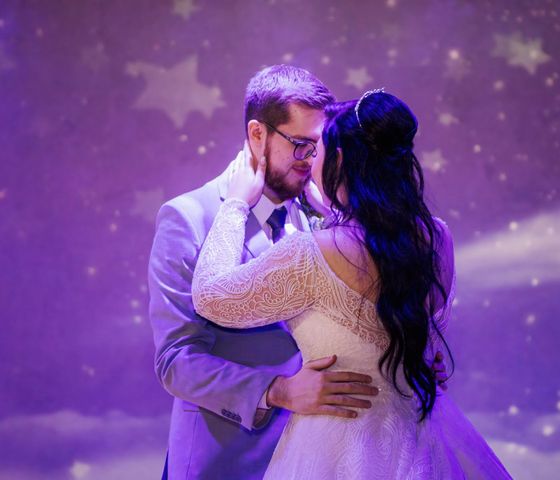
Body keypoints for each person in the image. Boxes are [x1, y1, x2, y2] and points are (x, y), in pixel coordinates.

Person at [191, 90, 512, 479]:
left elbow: (211, 298)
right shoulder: (437, 238)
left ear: (339, 159)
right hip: (421, 436)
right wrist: (335, 205)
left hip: (337, 445)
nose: (310, 161)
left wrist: (235, 205)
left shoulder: (310, 252)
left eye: (318, 150)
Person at [148, 66, 448, 479]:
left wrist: (401, 354)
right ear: (258, 134)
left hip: (328, 454)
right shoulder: (189, 217)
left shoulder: (329, 220)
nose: (311, 161)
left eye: (319, 147)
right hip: (225, 459)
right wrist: (277, 391)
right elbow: (175, 359)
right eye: (301, 145)